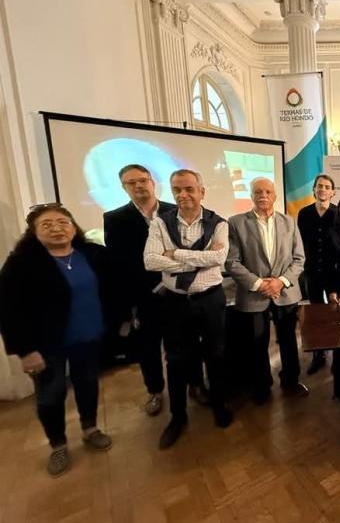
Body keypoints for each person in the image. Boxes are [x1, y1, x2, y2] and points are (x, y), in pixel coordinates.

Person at [0, 205, 117, 476]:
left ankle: (90, 428)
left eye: (63, 222)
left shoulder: (91, 254)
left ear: (73, 227)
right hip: (46, 345)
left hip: (89, 335)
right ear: (33, 232)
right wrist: (25, 351)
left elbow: (110, 289)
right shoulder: (21, 263)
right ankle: (58, 444)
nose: (56, 228)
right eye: (47, 224)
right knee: (51, 395)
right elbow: (8, 311)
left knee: (88, 384)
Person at [144, 169, 233, 450]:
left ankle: (219, 405)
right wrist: (200, 259)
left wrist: (175, 254)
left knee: (216, 355)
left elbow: (219, 257)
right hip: (176, 302)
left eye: (189, 189)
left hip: (210, 299)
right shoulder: (160, 223)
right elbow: (150, 261)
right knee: (176, 360)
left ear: (201, 192)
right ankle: (178, 417)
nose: (183, 195)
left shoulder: (219, 223)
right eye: (177, 190)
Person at [226, 177, 309, 403]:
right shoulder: (235, 223)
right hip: (254, 294)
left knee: (289, 340)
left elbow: (299, 259)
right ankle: (261, 385)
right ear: (251, 195)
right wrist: (260, 284)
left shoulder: (289, 222)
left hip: (285, 292)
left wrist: (280, 281)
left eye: (268, 192)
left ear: (275, 195)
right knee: (256, 343)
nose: (263, 195)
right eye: (258, 192)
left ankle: (291, 381)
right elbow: (232, 262)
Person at [104, 164, 176, 416]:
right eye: (131, 182)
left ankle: (194, 385)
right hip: (144, 296)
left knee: (182, 346)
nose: (138, 186)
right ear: (124, 187)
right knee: (148, 348)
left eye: (142, 180)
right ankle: (155, 391)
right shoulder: (114, 219)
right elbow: (118, 263)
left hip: (178, 292)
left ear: (152, 182)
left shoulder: (175, 211)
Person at [297, 174, 338, 375]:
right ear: (314, 189)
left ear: (333, 192)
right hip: (311, 271)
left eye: (327, 187)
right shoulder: (304, 213)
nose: (323, 189)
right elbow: (299, 243)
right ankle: (318, 355)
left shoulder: (338, 213)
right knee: (315, 314)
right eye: (319, 186)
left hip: (334, 273)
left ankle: (338, 354)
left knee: (336, 312)